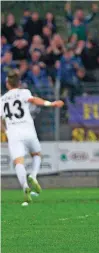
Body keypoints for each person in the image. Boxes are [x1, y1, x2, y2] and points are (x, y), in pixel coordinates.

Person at [0, 70, 64, 206]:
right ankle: (33, 175)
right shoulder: (24, 92)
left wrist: (5, 130)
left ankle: (25, 187)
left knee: (18, 162)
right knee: (37, 155)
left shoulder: (2, 99)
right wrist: (50, 104)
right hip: (28, 130)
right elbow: (33, 100)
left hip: (13, 133)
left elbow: (1, 119)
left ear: (7, 84)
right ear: (19, 83)